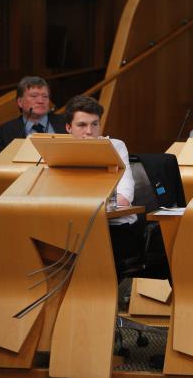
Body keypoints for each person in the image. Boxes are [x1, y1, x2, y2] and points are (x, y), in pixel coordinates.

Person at [64, 95, 141, 277]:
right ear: (68, 128)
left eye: (95, 124)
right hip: (72, 225)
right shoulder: (58, 148)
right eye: (82, 125)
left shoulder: (116, 146)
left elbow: (123, 198)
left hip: (114, 226)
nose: (89, 131)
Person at [0, 76, 67, 153]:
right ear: (20, 102)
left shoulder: (67, 122)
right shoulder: (4, 132)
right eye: (34, 96)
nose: (41, 101)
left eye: (45, 96)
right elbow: (4, 163)